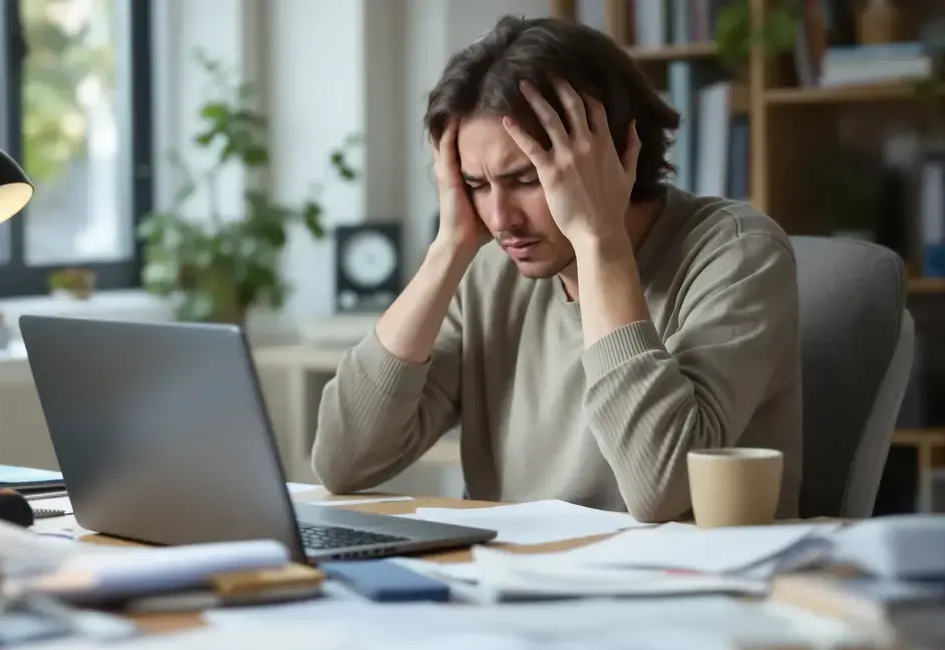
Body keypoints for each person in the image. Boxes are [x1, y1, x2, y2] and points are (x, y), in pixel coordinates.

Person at [310, 15, 803, 522]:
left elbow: (661, 487)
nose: (501, 220)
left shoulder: (738, 254)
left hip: (672, 590)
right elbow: (342, 462)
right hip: (505, 584)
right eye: (476, 185)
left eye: (525, 179)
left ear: (611, 154)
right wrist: (447, 250)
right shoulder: (487, 273)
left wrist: (599, 242)